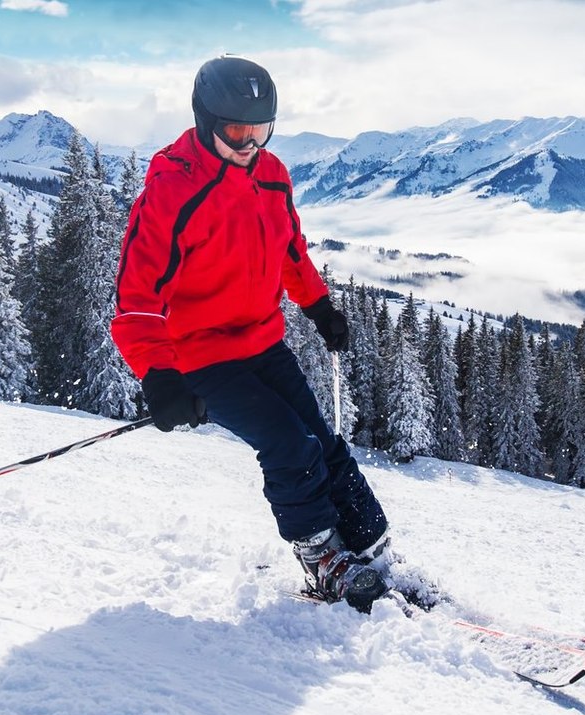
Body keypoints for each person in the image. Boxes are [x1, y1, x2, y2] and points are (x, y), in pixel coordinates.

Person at [111, 55, 391, 612]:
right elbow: (136, 300)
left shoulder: (272, 175)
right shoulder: (171, 190)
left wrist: (320, 307)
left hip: (263, 340)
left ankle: (370, 545)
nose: (248, 143)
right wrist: (159, 376)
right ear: (204, 119)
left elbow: (290, 253)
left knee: (322, 440)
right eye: (235, 130)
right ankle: (322, 559)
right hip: (201, 357)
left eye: (259, 130)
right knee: (289, 447)